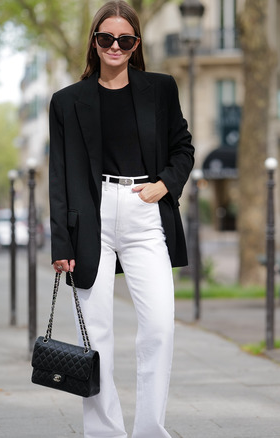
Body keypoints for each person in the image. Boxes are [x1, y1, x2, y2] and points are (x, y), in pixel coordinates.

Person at [47, 1, 194, 437]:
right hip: (90, 218)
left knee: (159, 327)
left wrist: (163, 185)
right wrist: (61, 243)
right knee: (96, 336)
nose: (115, 46)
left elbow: (183, 148)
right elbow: (59, 176)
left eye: (124, 39)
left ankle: (150, 430)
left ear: (136, 44)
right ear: (94, 42)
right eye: (106, 38)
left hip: (144, 211)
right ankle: (105, 432)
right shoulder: (66, 102)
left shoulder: (160, 89)